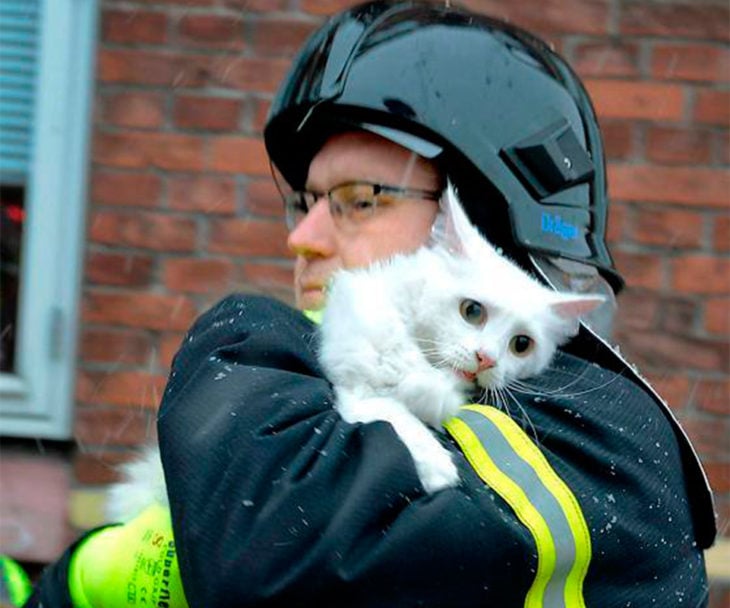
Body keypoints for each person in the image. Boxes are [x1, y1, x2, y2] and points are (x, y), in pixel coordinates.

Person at [27, 1, 716, 606]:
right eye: (303, 203)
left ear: (478, 227)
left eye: (359, 200)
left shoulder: (597, 437)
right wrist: (74, 582)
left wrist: (248, 332)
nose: (301, 238)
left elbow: (268, 554)